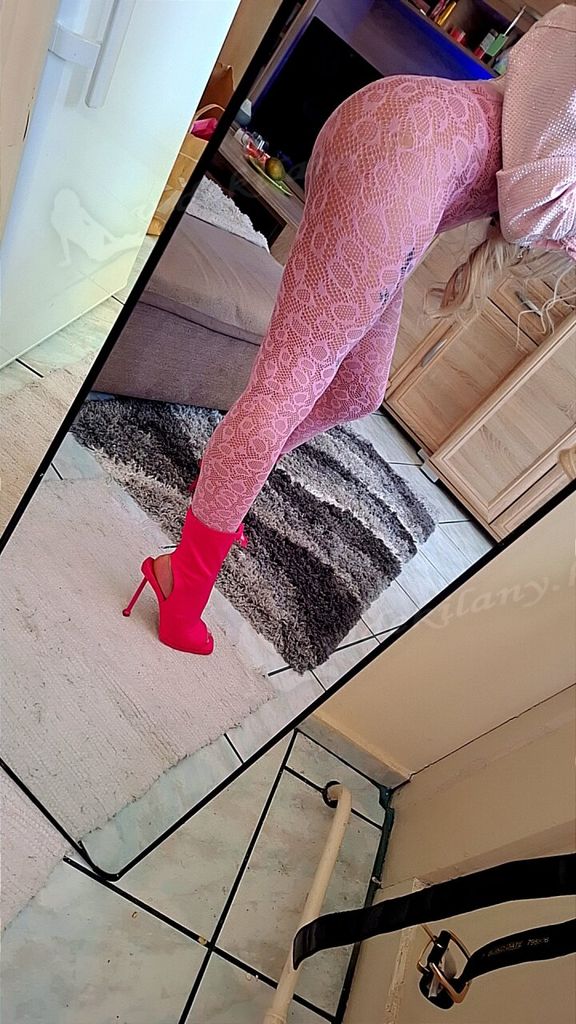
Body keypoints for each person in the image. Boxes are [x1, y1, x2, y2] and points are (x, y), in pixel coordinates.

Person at [123, 4, 575, 655]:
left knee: (360, 388)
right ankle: (181, 583)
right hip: (409, 156)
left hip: (412, 142)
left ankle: (226, 483)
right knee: (288, 386)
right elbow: (533, 205)